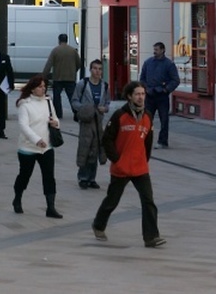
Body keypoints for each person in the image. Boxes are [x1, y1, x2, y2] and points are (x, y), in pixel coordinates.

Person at [91, 81, 165, 247]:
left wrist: (144, 159)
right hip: (121, 168)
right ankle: (98, 225)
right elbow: (107, 139)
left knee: (148, 201)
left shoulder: (147, 116)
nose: (141, 97)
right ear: (130, 96)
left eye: (143, 94)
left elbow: (148, 141)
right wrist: (116, 159)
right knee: (112, 200)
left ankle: (151, 237)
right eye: (137, 94)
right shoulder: (119, 116)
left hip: (140, 168)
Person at [12, 74, 62, 218]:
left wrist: (56, 123)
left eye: (44, 86)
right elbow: (23, 126)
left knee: (49, 177)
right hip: (28, 148)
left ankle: (50, 207)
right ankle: (17, 198)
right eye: (40, 86)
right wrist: (36, 139)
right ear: (33, 89)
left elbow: (55, 118)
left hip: (47, 147)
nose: (43, 89)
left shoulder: (48, 101)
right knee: (24, 175)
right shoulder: (24, 104)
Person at [70, 59, 111, 189]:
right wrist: (85, 109)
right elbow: (74, 101)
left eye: (100, 69)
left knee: (96, 149)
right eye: (95, 68)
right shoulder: (83, 84)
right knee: (85, 148)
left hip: (98, 121)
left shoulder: (104, 85)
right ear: (90, 70)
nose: (97, 71)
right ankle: (83, 177)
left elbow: (107, 103)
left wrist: (105, 108)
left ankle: (92, 178)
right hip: (86, 121)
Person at [138, 42, 180, 149]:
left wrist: (166, 90)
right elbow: (142, 78)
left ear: (162, 50)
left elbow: (175, 80)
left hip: (162, 96)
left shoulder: (169, 64)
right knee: (146, 119)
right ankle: (144, 140)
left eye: (156, 49)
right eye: (154, 49)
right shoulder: (148, 63)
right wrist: (146, 88)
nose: (154, 52)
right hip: (150, 95)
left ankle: (163, 141)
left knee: (164, 119)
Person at [41, 33, 82, 120]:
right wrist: (73, 71)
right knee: (72, 97)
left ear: (59, 40)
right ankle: (76, 113)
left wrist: (43, 76)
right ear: (67, 40)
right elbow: (79, 63)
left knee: (57, 96)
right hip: (70, 78)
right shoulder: (73, 51)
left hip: (58, 77)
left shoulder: (55, 50)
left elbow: (49, 64)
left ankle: (58, 113)